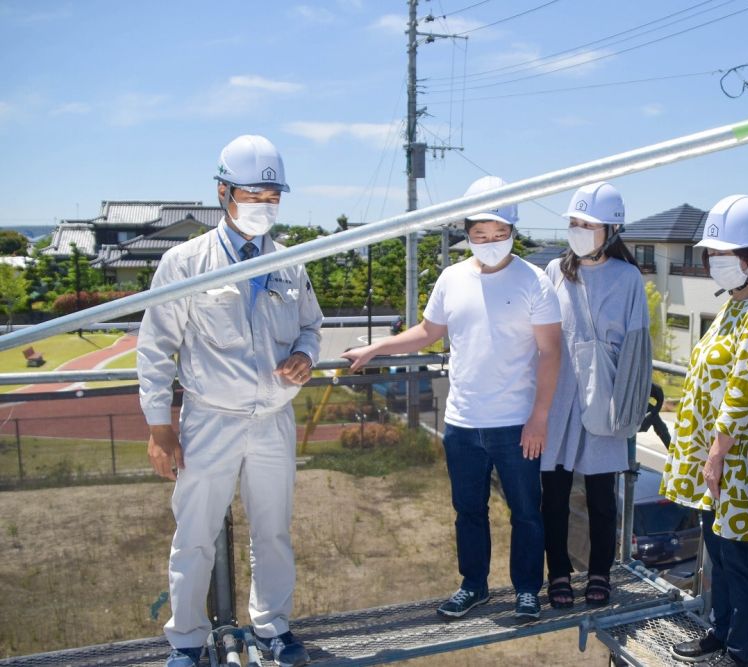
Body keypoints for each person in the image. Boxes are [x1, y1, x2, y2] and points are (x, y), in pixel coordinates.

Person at [137, 135, 322, 667]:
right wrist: (158, 426)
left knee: (273, 532)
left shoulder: (291, 262)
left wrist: (306, 357)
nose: (264, 206)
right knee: (194, 534)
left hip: (273, 419)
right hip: (209, 420)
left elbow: (311, 326)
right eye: (253, 194)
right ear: (223, 192)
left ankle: (272, 629)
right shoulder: (186, 262)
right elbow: (156, 347)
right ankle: (188, 641)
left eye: (272, 196)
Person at [342, 175, 562, 621]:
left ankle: (526, 590)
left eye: (499, 235)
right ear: (467, 234)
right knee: (468, 511)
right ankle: (474, 586)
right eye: (480, 235)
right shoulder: (451, 277)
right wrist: (376, 347)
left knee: (525, 512)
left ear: (513, 232)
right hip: (461, 421)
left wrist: (539, 417)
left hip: (515, 422)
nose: (490, 242)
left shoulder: (534, 281)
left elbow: (550, 351)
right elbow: (427, 333)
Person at [663, 195, 748, 666]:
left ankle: (739, 651)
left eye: (728, 255)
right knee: (718, 552)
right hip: (718, 458)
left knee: (739, 559)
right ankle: (718, 632)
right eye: (713, 255)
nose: (718, 263)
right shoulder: (732, 309)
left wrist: (716, 453)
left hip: (742, 461)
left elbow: (742, 391)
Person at [539, 182, 652, 609]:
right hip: (561, 396)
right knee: (554, 494)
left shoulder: (628, 279)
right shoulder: (555, 271)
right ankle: (559, 576)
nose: (578, 230)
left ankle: (600, 572)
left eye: (587, 223)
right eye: (573, 222)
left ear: (612, 228)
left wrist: (630, 404)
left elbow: (638, 350)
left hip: (604, 396)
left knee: (603, 495)